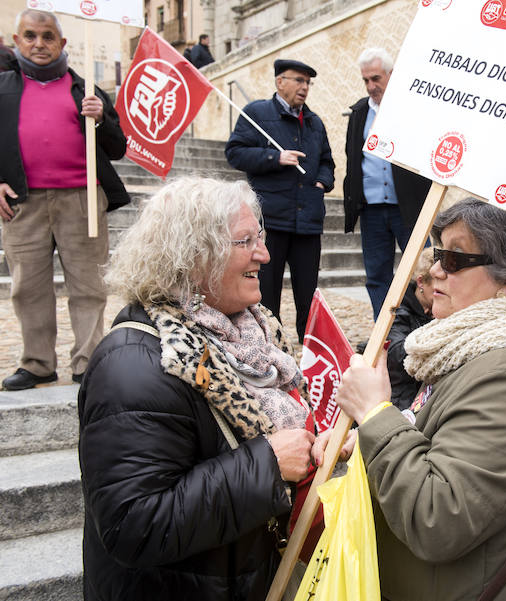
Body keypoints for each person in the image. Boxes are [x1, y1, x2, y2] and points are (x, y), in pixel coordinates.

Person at [78, 177, 338, 601]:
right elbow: (133, 525)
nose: (265, 254)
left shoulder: (258, 339)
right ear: (193, 256)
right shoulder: (134, 365)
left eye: (262, 237)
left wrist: (314, 447)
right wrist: (268, 465)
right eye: (245, 241)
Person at [331, 198, 506, 600]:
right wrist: (366, 442)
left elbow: (436, 518)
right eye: (438, 253)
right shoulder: (474, 348)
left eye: (455, 258)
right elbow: (441, 443)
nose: (436, 269)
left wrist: (375, 415)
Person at [0, 9, 130, 391]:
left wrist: (102, 117)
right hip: (24, 204)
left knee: (88, 284)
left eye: (47, 36)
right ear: (17, 40)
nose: (39, 44)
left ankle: (88, 360)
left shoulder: (85, 90)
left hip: (83, 199)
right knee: (28, 286)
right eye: (30, 36)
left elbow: (117, 147)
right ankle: (37, 363)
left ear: (62, 43)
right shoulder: (3, 88)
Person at [226, 58, 335, 342]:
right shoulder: (257, 113)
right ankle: (268, 344)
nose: (304, 87)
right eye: (298, 80)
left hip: (308, 219)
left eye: (308, 82)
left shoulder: (314, 122)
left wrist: (323, 182)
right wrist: (276, 157)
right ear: (280, 82)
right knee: (267, 290)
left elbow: (327, 161)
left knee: (307, 292)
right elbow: (235, 152)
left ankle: (311, 347)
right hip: (272, 218)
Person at [343, 47, 432, 318]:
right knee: (377, 275)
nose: (371, 86)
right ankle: (385, 332)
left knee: (424, 271)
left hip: (408, 208)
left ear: (391, 75)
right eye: (366, 80)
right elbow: (352, 157)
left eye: (376, 79)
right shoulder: (359, 112)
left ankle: (425, 324)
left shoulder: (412, 107)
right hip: (371, 210)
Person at [385, 247, 434, 409]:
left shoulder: (439, 308)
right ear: (421, 282)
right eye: (438, 286)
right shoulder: (396, 310)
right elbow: (397, 352)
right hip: (401, 398)